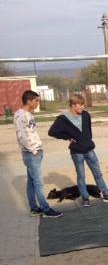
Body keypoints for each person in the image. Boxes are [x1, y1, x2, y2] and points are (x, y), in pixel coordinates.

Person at [48, 94, 108, 207]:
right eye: (80, 105)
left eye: (83, 105)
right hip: (76, 152)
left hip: (89, 150)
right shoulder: (62, 119)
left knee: (98, 173)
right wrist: (67, 137)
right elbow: (52, 132)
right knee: (81, 176)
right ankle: (85, 198)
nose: (83, 107)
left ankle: (107, 194)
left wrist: (87, 141)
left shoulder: (86, 115)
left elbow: (88, 130)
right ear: (73, 105)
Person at [13, 90, 62, 218]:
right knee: (39, 183)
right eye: (36, 101)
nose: (37, 103)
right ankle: (46, 209)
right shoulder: (22, 115)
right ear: (28, 101)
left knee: (31, 181)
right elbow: (22, 136)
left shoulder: (28, 114)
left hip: (34, 152)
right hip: (31, 153)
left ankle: (34, 208)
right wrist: (33, 150)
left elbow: (31, 132)